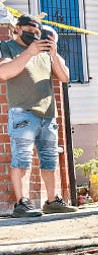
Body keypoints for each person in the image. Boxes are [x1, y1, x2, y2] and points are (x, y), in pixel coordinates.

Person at [0, 15, 77, 218]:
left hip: (48, 115)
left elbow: (64, 76)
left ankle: (52, 201)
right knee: (22, 159)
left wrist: (53, 53)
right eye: (29, 29)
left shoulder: (44, 51)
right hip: (22, 113)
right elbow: (4, 72)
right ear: (17, 28)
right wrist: (29, 53)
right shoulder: (7, 47)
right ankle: (21, 203)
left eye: (37, 31)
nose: (34, 33)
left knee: (49, 160)